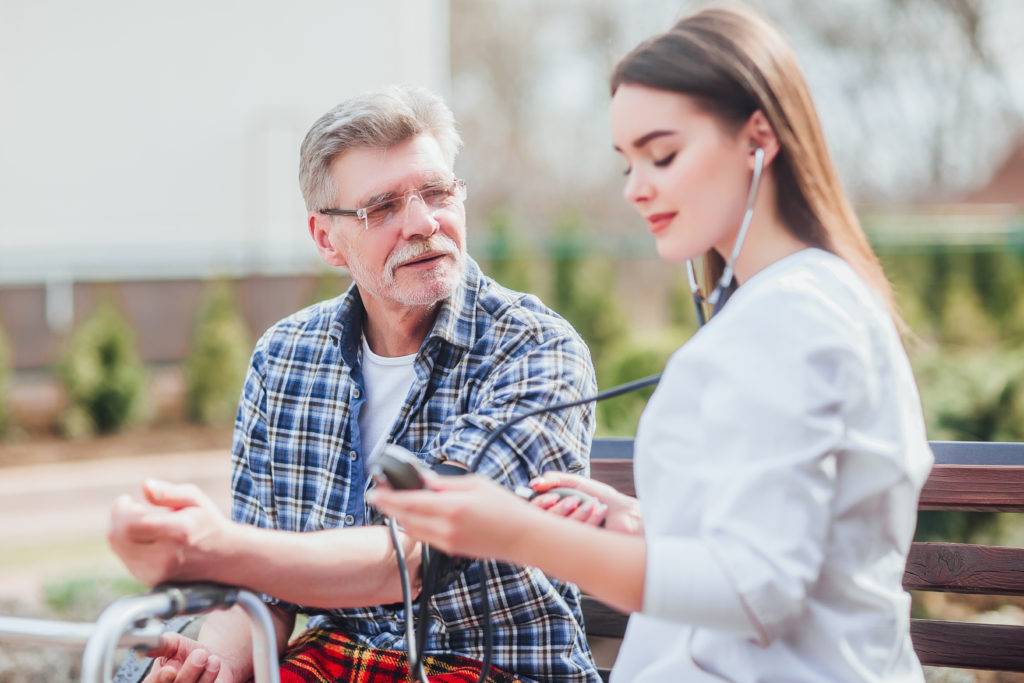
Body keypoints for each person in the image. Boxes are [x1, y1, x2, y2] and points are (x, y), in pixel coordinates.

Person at [369, 7, 934, 682]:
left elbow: (759, 588)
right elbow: (786, 539)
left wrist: (516, 532)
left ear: (759, 139)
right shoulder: (791, 300)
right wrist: (645, 520)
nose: (638, 188)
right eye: (627, 163)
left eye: (663, 155)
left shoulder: (793, 315)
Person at [107, 85, 601, 683]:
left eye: (437, 192)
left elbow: (420, 552)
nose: (423, 223)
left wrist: (213, 546)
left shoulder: (535, 349)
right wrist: (214, 662)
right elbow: (260, 594)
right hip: (338, 664)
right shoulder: (285, 358)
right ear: (325, 239)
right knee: (135, 669)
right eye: (383, 207)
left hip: (496, 669)